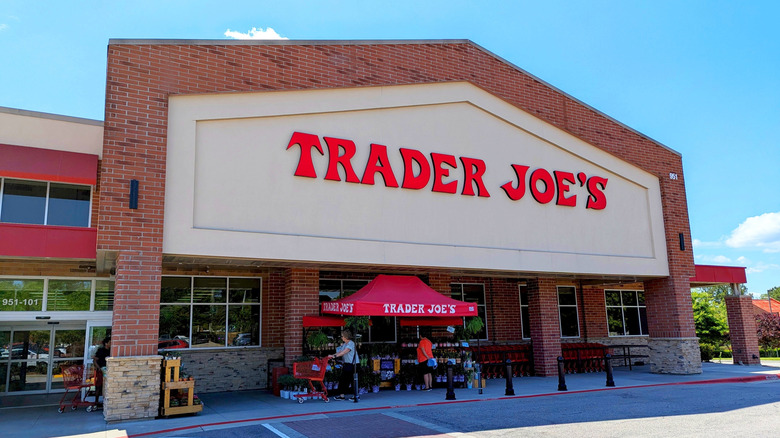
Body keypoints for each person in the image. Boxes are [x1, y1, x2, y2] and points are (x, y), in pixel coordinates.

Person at [327, 329, 359, 401]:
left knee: (352, 380)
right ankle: (342, 395)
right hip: (347, 364)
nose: (341, 337)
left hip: (353, 364)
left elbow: (345, 351)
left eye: (342, 336)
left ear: (345, 336)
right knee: (343, 380)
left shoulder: (351, 343)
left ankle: (356, 395)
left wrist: (335, 356)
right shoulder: (344, 344)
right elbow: (340, 352)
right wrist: (332, 356)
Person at [93, 337, 110, 407]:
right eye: (110, 342)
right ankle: (96, 402)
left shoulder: (111, 351)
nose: (111, 344)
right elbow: (95, 360)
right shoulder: (101, 350)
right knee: (99, 386)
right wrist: (99, 368)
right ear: (106, 343)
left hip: (109, 369)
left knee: (106, 386)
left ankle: (105, 401)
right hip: (101, 370)